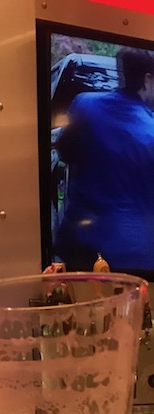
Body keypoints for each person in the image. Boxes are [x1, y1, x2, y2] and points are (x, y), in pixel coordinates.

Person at [55, 46, 154, 272]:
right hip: (136, 257)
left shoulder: (85, 105)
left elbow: (64, 151)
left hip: (82, 247)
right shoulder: (151, 131)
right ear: (147, 79)